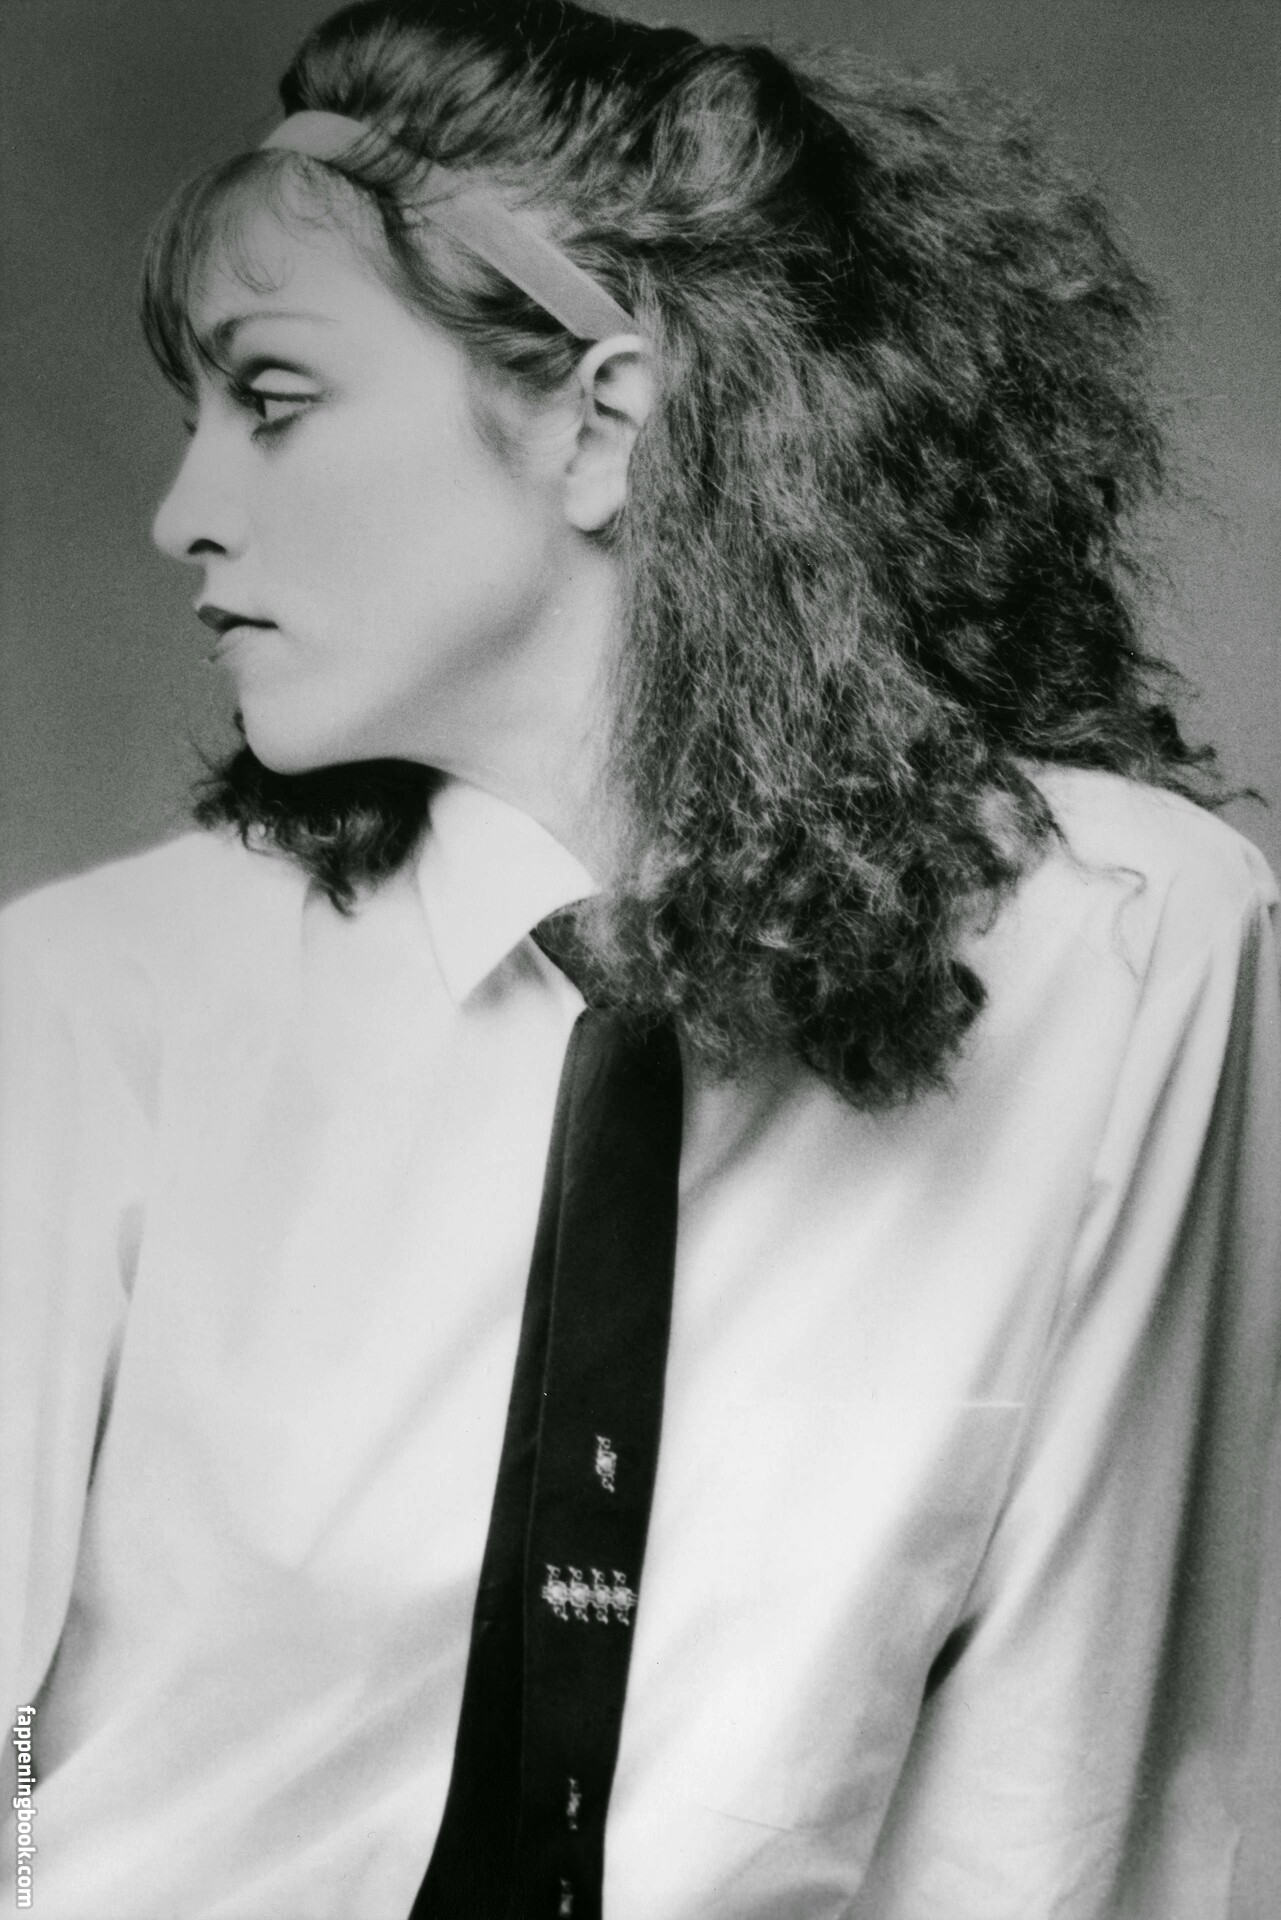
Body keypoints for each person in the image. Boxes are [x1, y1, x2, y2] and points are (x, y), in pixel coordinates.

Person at [1, 1, 1277, 1915]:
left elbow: (1067, 1810)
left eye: (274, 400)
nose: (186, 512)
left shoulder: (1120, 941)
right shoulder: (95, 1007)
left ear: (601, 421)